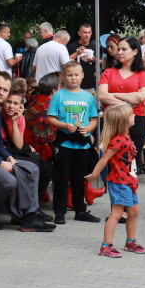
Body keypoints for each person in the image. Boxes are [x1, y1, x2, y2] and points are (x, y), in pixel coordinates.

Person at [0, 71, 55, 232]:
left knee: (33, 168)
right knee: (9, 181)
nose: (1, 93)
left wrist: (8, 157)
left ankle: (29, 214)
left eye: (5, 90)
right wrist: (0, 162)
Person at [85, 104, 145, 258]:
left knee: (134, 211)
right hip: (119, 182)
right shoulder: (117, 140)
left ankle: (130, 242)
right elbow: (104, 158)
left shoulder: (126, 136)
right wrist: (93, 175)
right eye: (132, 115)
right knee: (117, 213)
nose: (135, 117)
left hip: (129, 181)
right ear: (123, 121)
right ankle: (106, 245)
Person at [46, 61, 100, 224]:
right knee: (61, 178)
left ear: (82, 75)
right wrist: (64, 125)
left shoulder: (88, 96)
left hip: (82, 143)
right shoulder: (59, 95)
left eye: (76, 75)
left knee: (79, 177)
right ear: (63, 77)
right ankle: (60, 211)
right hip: (64, 143)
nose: (73, 78)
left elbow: (93, 119)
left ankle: (80, 209)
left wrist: (88, 129)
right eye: (70, 75)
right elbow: (50, 118)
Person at [98, 36, 145, 174]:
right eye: (119, 49)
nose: (120, 52)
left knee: (131, 160)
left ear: (135, 51)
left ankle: (128, 191)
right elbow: (102, 95)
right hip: (112, 120)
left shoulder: (143, 75)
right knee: (111, 158)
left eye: (124, 49)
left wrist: (115, 95)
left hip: (135, 120)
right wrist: (126, 103)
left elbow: (141, 97)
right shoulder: (109, 72)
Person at [66, 23, 97, 92]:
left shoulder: (94, 47)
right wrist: (77, 53)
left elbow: (101, 63)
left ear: (91, 33)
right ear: (79, 33)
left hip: (90, 85)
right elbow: (65, 62)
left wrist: (94, 60)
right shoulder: (71, 46)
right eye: (84, 32)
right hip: (74, 85)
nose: (87, 35)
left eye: (89, 32)